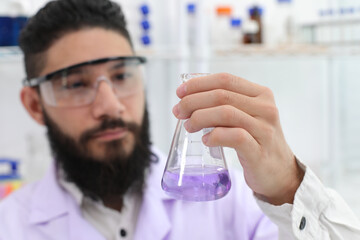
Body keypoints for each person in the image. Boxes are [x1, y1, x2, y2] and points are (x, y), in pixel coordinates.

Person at [0, 0, 359, 239]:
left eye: (122, 75)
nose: (110, 106)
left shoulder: (236, 203)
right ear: (34, 104)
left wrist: (287, 188)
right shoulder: (10, 225)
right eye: (76, 84)